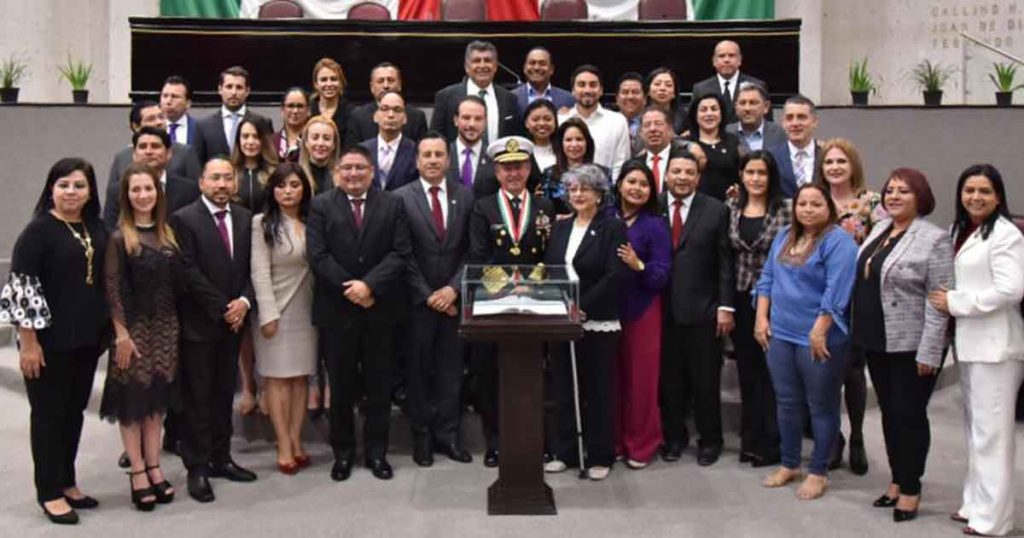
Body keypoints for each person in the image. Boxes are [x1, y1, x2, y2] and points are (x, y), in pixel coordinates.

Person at [1, 158, 109, 524]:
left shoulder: (96, 227)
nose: (71, 192)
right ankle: (48, 492)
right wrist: (28, 343)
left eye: (79, 185)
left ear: (90, 191)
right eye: (64, 185)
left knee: (73, 414)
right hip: (46, 345)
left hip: (86, 341)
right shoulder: (38, 232)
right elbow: (22, 290)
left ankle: (67, 481)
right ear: (51, 188)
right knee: (48, 417)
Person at [850, 168, 952, 522]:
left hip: (913, 344)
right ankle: (896, 479)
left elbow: (939, 299)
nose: (894, 196)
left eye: (903, 191)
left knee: (909, 416)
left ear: (920, 197)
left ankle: (911, 487)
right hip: (878, 339)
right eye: (890, 190)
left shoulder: (934, 239)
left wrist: (930, 350)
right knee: (891, 415)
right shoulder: (880, 229)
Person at [928, 164, 1024, 536]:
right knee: (976, 432)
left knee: (992, 437)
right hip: (968, 345)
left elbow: (1010, 289)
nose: (976, 197)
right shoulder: (959, 229)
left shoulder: (1006, 234)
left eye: (984, 191)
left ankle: (994, 519)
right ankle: (975, 504)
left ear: (998, 196)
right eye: (969, 190)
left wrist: (956, 302)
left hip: (996, 347)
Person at [306, 146, 411, 482]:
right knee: (342, 386)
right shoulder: (321, 205)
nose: (353, 174)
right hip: (338, 313)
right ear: (338, 171)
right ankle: (343, 453)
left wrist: (370, 287)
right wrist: (352, 289)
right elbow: (318, 255)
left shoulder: (392, 203)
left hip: (380, 310)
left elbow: (400, 252)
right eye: (347, 168)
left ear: (372, 171)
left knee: (379, 386)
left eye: (360, 168)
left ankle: (377, 453)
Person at [755, 183, 858, 500]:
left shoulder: (839, 241)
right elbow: (768, 278)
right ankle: (790, 464)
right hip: (780, 332)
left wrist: (820, 329)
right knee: (786, 402)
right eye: (803, 204)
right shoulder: (786, 234)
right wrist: (761, 318)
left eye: (816, 204)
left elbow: (837, 290)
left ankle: (818, 471)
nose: (808, 209)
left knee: (821, 406)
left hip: (819, 337)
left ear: (829, 208)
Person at [170, 157, 258, 503]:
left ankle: (221, 458)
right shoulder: (183, 219)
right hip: (200, 324)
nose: (222, 184)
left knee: (224, 394)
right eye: (215, 178)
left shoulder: (245, 218)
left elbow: (253, 267)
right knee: (197, 399)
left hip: (234, 322)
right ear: (202, 182)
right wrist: (223, 308)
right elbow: (187, 271)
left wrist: (244, 303)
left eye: (227, 178)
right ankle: (197, 467)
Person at [101, 163, 184, 510]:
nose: (143, 195)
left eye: (148, 188)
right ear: (126, 196)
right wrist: (120, 334)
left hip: (167, 329)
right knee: (133, 405)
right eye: (135, 190)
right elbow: (112, 289)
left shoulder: (167, 233)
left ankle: (154, 465)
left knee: (156, 404)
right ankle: (137, 470)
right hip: (133, 333)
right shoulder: (120, 238)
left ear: (157, 192)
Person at [467, 136, 555, 467]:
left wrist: (530, 287)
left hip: (536, 301)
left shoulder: (545, 206)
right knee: (492, 374)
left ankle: (539, 439)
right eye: (507, 167)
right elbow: (477, 256)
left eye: (519, 166)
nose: (513, 173)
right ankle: (495, 440)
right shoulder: (483, 207)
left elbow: (552, 254)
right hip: (495, 303)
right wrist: (506, 288)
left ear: (529, 168)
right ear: (496, 171)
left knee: (537, 372)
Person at [543, 164, 629, 480]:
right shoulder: (561, 227)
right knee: (564, 386)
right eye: (573, 189)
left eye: (585, 189)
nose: (578, 194)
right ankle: (565, 451)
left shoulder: (612, 227)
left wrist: (583, 307)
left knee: (598, 389)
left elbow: (614, 275)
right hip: (562, 319)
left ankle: (599, 455)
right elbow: (551, 269)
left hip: (597, 320)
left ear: (599, 194)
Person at [395, 132, 476, 467]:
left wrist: (452, 289)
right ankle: (422, 439)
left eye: (438, 154)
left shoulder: (466, 197)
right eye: (426, 154)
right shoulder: (399, 198)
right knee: (418, 373)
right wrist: (427, 294)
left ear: (448, 159)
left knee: (451, 372)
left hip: (454, 302)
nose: (432, 160)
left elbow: (473, 250)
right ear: (416, 161)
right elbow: (402, 252)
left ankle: (449, 436)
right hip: (417, 304)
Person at [659, 149, 735, 466]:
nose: (682, 177)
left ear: (698, 177)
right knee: (670, 383)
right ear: (666, 175)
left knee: (706, 382)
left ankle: (710, 440)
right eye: (676, 171)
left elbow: (725, 263)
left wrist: (726, 307)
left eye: (688, 172)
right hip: (661, 311)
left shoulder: (716, 210)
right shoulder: (652, 209)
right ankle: (674, 438)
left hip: (704, 310)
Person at [817, 138, 885, 474]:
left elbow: (883, 244)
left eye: (840, 162)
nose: (834, 168)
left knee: (853, 371)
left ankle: (857, 436)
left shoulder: (871, 202)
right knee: (824, 371)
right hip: (818, 295)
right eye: (828, 162)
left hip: (856, 297)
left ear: (853, 165)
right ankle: (833, 438)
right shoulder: (815, 200)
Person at [250, 162, 317, 475]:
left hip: (307, 309)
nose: (288, 191)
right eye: (281, 185)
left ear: (304, 188)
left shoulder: (313, 220)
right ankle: (283, 444)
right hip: (276, 308)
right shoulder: (262, 223)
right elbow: (259, 273)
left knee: (300, 377)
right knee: (277, 379)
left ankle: (296, 438)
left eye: (294, 184)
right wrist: (267, 313)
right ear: (272, 190)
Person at [727, 151, 792, 467]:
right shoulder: (732, 208)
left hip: (776, 300)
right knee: (748, 372)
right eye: (750, 172)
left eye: (762, 173)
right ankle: (750, 439)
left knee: (773, 373)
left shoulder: (787, 210)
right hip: (741, 298)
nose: (755, 178)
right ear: (741, 175)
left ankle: (772, 442)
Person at [610, 160, 671, 468]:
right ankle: (616, 440)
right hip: (607, 309)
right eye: (631, 181)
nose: (636, 188)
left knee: (641, 381)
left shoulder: (656, 225)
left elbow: (661, 275)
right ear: (619, 184)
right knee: (612, 379)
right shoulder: (606, 217)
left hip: (643, 311)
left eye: (644, 184)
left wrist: (639, 266)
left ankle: (642, 444)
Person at [104, 101, 201, 229]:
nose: (149, 152)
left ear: (169, 154)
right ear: (134, 154)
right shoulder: (116, 190)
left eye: (155, 146)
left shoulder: (189, 190)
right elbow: (111, 230)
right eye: (143, 147)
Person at [431, 41, 519, 144]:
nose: (482, 65)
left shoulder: (509, 99)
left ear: (495, 66)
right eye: (476, 61)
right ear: (467, 67)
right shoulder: (446, 97)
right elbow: (435, 139)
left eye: (487, 60)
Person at [559, 65, 631, 180]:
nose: (587, 90)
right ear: (572, 91)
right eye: (581, 85)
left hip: (606, 191)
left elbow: (620, 164)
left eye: (593, 85)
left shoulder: (617, 121)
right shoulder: (561, 121)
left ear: (601, 90)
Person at [193, 65, 274, 165]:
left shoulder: (263, 122)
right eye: (229, 87)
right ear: (220, 89)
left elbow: (269, 160)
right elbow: (197, 165)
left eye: (239, 87)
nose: (234, 92)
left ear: (247, 91)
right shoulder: (203, 126)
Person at [346, 62, 428, 146]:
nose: (386, 85)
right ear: (372, 87)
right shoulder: (357, 117)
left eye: (391, 80)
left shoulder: (416, 117)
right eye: (380, 81)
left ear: (400, 84)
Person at [691, 40, 769, 125]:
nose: (726, 60)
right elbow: (693, 121)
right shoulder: (701, 89)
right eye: (721, 56)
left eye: (731, 56)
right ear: (714, 61)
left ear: (740, 60)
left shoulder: (757, 85)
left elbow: (767, 122)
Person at [540, 117, 607, 215]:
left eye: (579, 139)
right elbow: (545, 211)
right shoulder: (549, 174)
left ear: (587, 143)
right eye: (568, 140)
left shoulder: (603, 173)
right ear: (561, 143)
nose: (574, 144)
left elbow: (609, 210)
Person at [684, 92, 741, 202]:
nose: (709, 114)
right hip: (694, 205)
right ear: (695, 115)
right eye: (703, 110)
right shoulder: (686, 142)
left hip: (726, 205)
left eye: (714, 109)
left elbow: (741, 173)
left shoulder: (733, 141)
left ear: (721, 113)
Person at [359, 90, 418, 191]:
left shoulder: (416, 151)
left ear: (405, 118)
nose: (390, 115)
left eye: (397, 110)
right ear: (375, 116)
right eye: (385, 109)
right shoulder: (361, 151)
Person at [769, 95, 822, 198]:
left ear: (815, 122)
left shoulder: (826, 155)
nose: (795, 123)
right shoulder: (771, 157)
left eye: (801, 117)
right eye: (789, 118)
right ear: (783, 123)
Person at [445, 96, 495, 198]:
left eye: (478, 119)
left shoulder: (494, 158)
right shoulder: (443, 154)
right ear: (456, 120)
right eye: (466, 118)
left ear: (485, 122)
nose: (472, 124)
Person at [231, 116, 279, 212]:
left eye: (256, 137)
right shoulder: (230, 172)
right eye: (245, 136)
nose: (250, 142)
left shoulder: (276, 172)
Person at [512, 46, 575, 116]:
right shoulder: (511, 98)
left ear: (551, 69)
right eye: (532, 63)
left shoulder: (568, 99)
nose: (536, 68)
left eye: (542, 63)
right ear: (524, 68)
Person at [726, 82, 785, 153]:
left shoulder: (780, 134)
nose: (747, 108)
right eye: (742, 103)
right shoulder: (725, 133)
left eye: (753, 103)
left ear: (766, 107)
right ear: (736, 107)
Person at [308, 57, 353, 146]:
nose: (329, 84)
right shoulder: (308, 111)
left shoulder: (352, 113)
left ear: (340, 82)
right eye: (324, 80)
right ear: (316, 84)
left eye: (333, 79)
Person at [298, 115, 341, 194]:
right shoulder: (296, 175)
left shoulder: (343, 177)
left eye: (326, 138)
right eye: (315, 138)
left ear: (334, 144)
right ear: (306, 142)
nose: (320, 143)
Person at [615, 72, 647, 155]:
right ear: (617, 99)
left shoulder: (654, 122)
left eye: (635, 92)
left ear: (645, 99)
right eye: (625, 92)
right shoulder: (607, 123)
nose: (630, 97)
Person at [645, 68, 686, 134]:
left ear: (674, 93)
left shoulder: (685, 119)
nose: (662, 88)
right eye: (657, 84)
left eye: (668, 85)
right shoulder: (638, 115)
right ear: (648, 91)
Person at [274, 87, 310, 162]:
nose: (295, 111)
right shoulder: (272, 142)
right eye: (290, 106)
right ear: (282, 110)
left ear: (308, 110)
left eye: (300, 106)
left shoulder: (313, 141)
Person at [523, 98, 558, 172]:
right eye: (535, 119)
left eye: (547, 119)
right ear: (526, 123)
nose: (542, 123)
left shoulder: (564, 149)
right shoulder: (522, 151)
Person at [160, 75, 196, 146]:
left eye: (175, 97)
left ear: (188, 103)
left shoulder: (199, 129)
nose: (168, 101)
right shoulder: (152, 128)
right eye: (165, 96)